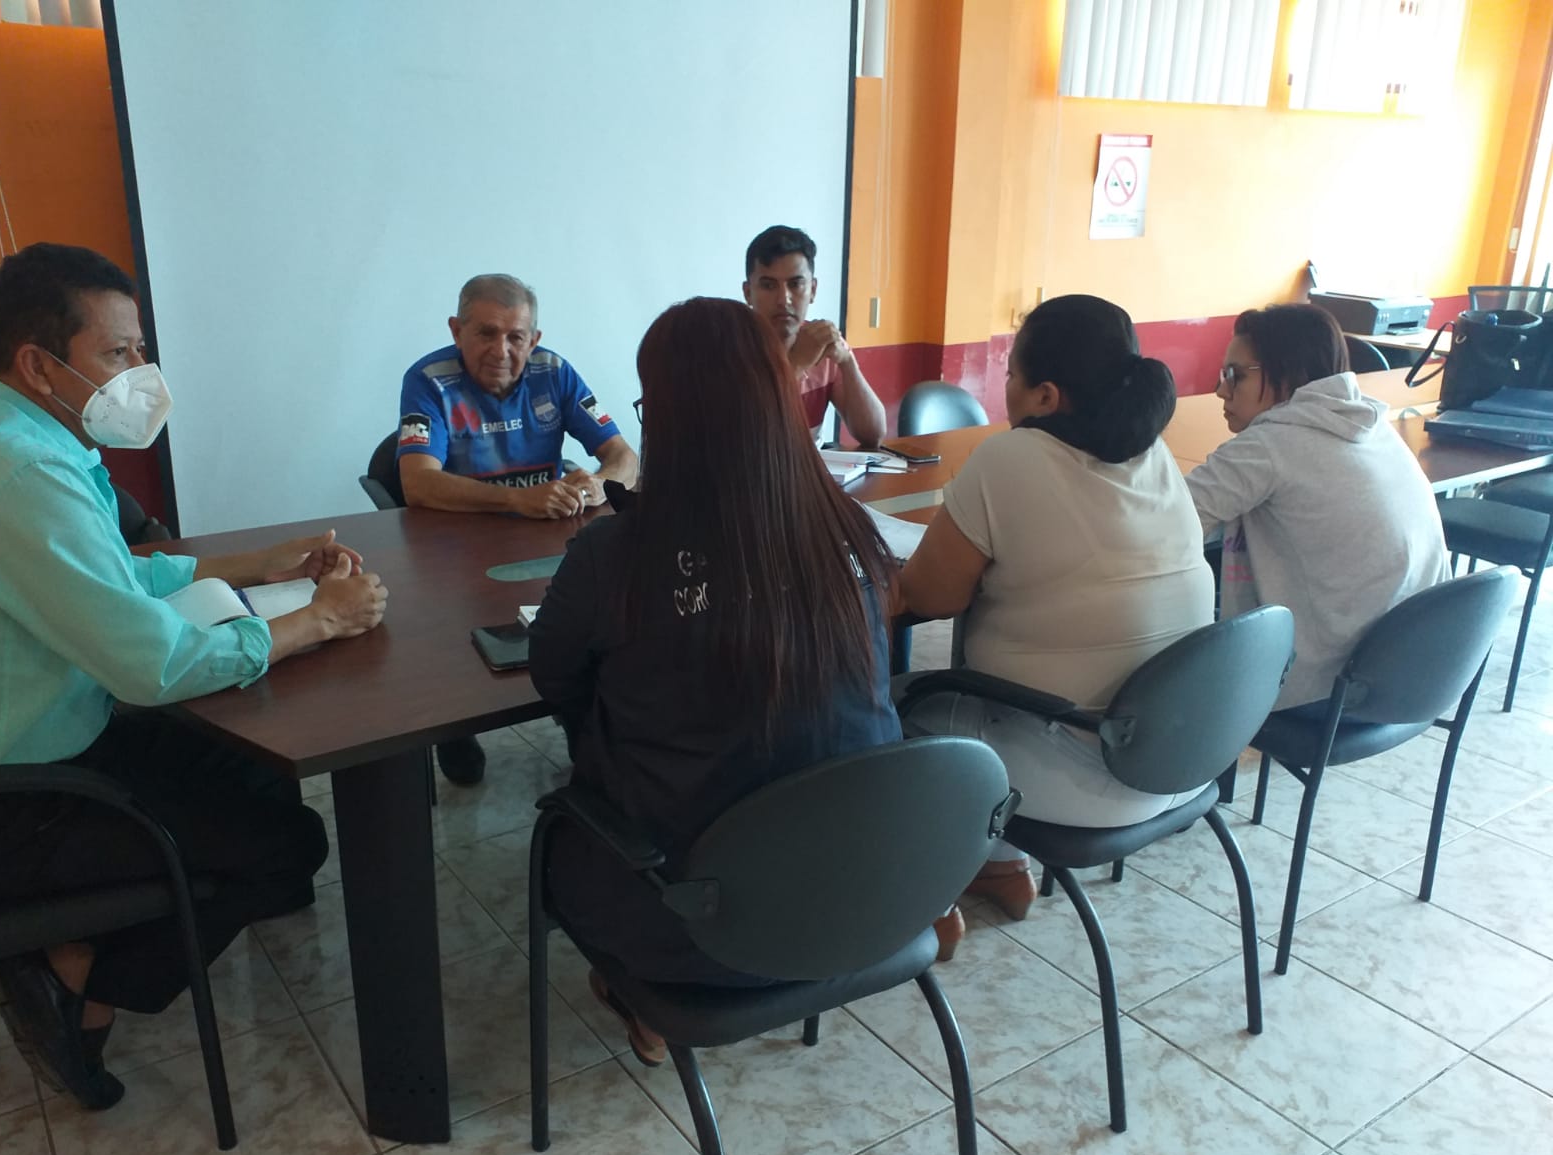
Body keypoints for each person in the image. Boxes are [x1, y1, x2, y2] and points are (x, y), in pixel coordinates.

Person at [0, 243, 388, 1111]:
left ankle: (73, 945)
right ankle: (78, 985)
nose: (140, 374)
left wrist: (257, 564)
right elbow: (153, 665)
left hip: (53, 729)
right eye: (117, 353)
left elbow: (108, 576)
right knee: (286, 848)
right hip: (6, 793)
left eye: (139, 349)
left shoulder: (9, 432)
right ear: (39, 365)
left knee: (257, 784)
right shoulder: (22, 471)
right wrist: (321, 619)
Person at [529, 297, 900, 1065]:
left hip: (695, 927)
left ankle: (642, 991)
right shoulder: (850, 533)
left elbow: (554, 680)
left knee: (569, 823)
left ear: (665, 419)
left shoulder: (614, 556)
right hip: (862, 895)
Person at [896, 294, 1214, 960]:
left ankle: (930, 903)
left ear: (1046, 395)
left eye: (1011, 374)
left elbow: (927, 594)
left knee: (900, 711)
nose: (1003, 388)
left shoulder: (1009, 460)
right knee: (1005, 677)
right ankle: (1001, 869)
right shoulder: (1155, 457)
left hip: (1078, 777)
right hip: (1177, 757)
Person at [396, 273, 639, 785]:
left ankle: (577, 715)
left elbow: (624, 456)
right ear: (456, 330)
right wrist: (515, 499)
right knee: (447, 634)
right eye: (486, 333)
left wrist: (599, 484)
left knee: (589, 619)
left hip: (543, 537)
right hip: (455, 545)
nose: (501, 350)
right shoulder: (429, 379)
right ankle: (453, 724)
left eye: (516, 336)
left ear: (535, 339)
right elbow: (417, 483)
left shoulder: (554, 371)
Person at [1185, 304, 1450, 712]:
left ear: (1287, 373)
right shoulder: (1370, 422)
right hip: (1414, 678)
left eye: (1235, 375)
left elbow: (1164, 528)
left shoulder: (1269, 446)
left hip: (1328, 692)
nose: (1222, 390)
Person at [743, 225, 887, 446]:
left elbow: (873, 434)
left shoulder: (820, 342)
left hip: (810, 467)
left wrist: (848, 363)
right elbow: (744, 437)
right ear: (748, 293)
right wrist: (797, 364)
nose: (784, 299)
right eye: (769, 286)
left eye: (795, 284)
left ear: (813, 290)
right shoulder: (728, 348)